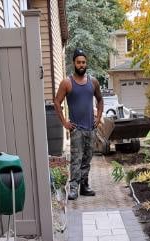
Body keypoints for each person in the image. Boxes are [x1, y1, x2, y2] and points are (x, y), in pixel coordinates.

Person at [53, 48, 103, 201]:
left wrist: (98, 117)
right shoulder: (67, 83)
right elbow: (56, 101)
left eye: (83, 62)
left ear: (86, 64)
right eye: (78, 62)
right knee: (76, 160)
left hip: (91, 128)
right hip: (77, 130)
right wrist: (64, 123)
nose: (81, 65)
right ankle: (73, 188)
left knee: (87, 159)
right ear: (74, 63)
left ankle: (84, 186)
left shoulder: (93, 82)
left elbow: (100, 100)